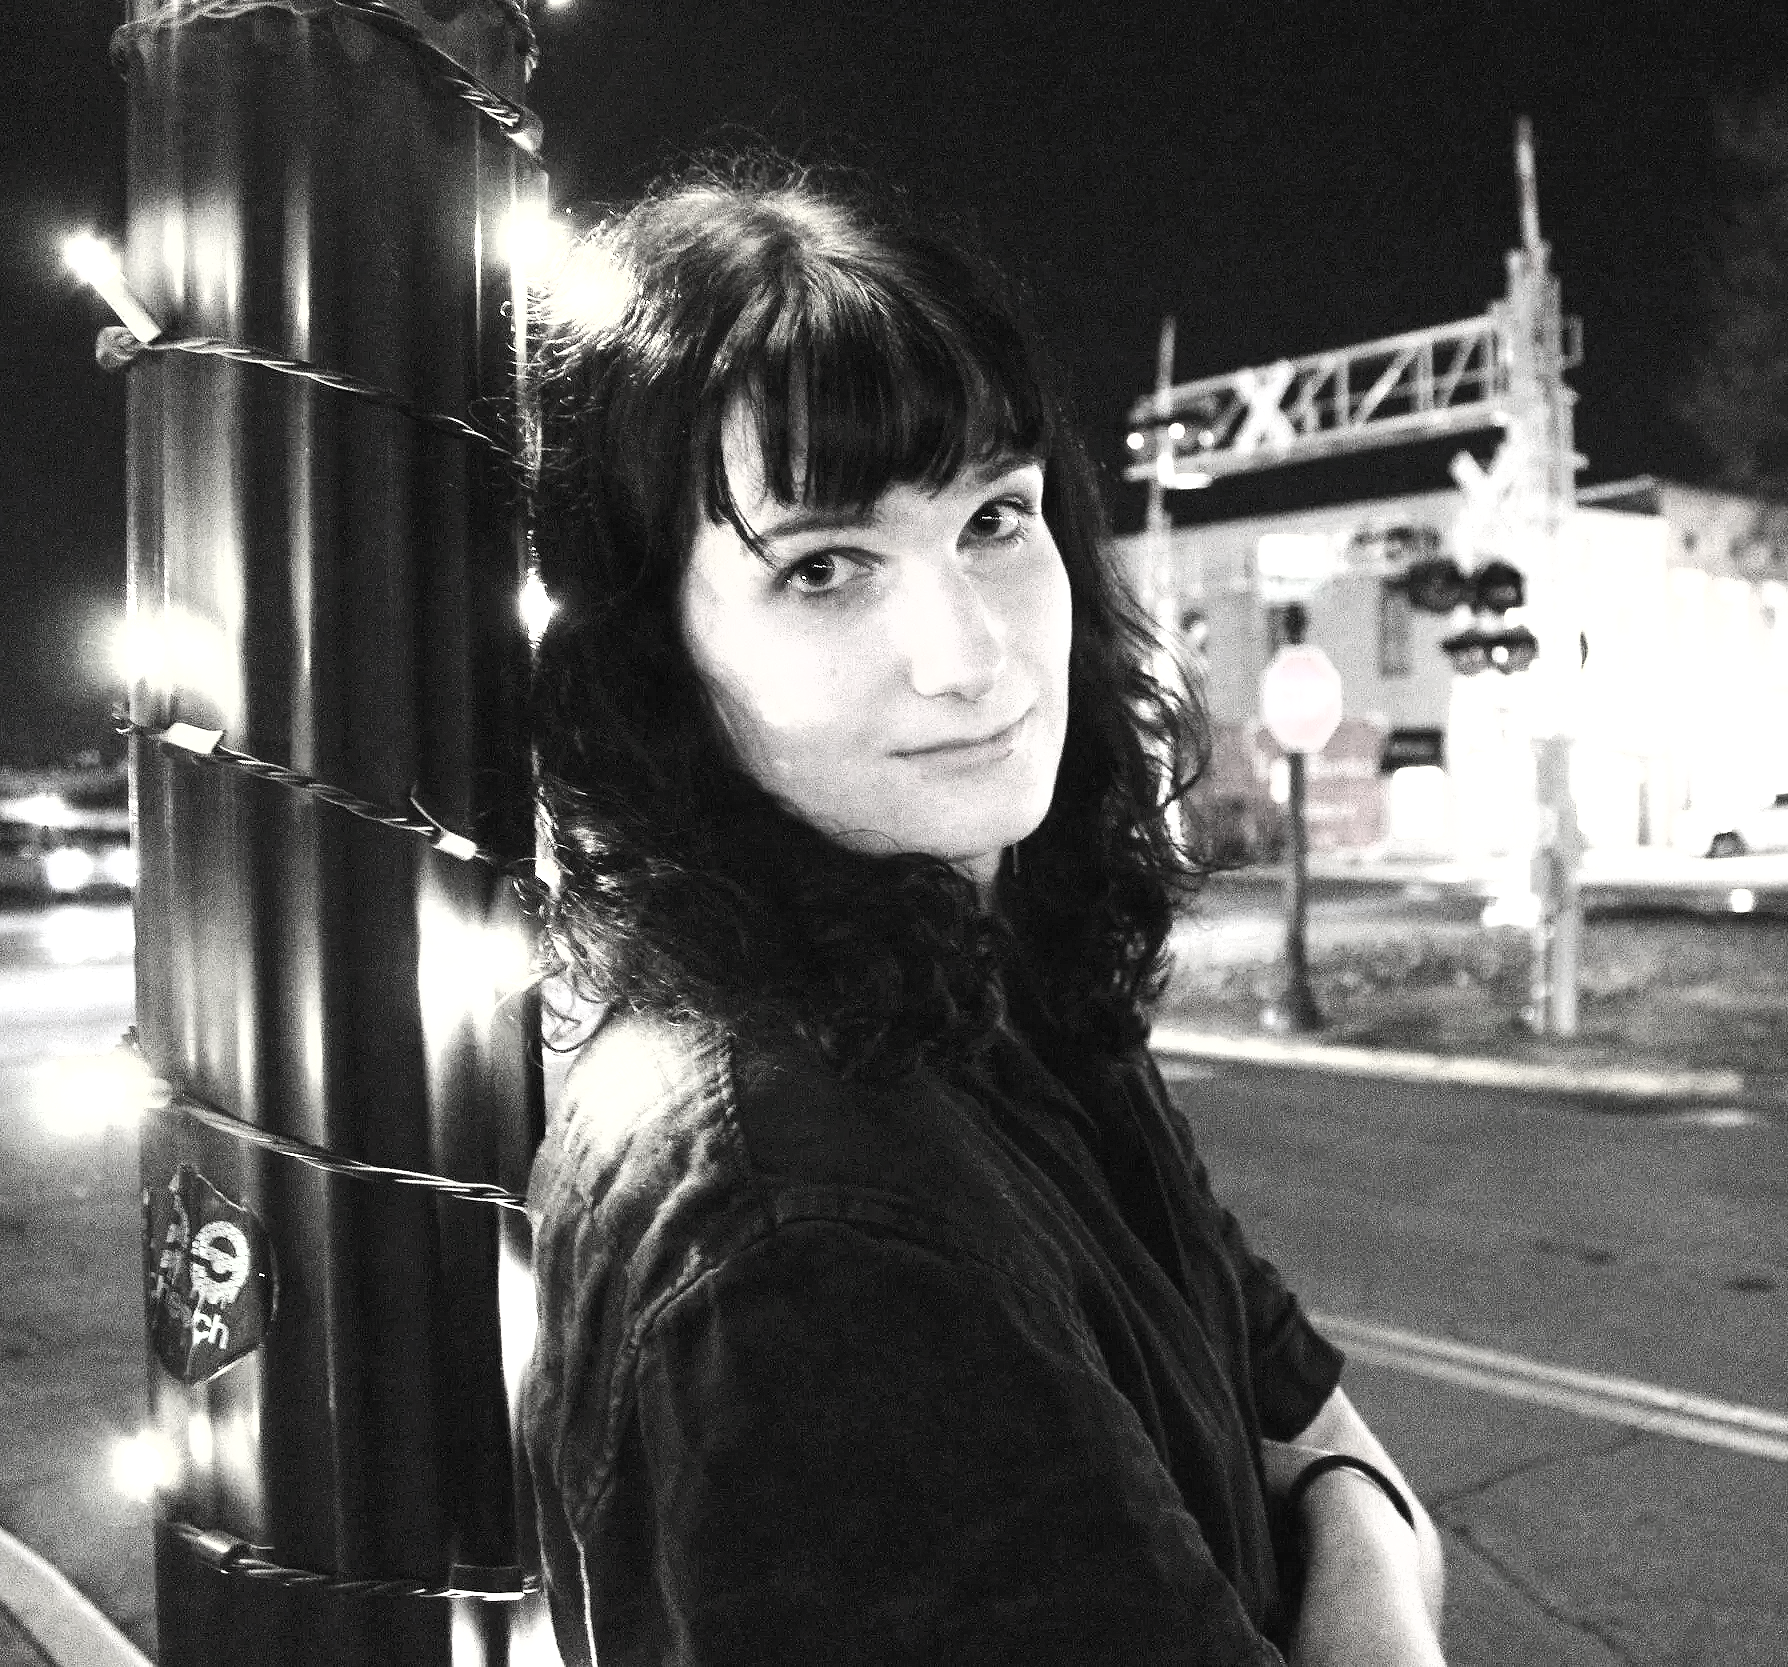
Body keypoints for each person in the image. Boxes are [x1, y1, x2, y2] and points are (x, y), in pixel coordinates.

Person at [517, 157, 1447, 1666]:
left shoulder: (994, 984)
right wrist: (1361, 1539)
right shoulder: (805, 1233)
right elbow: (1346, 1477)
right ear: (653, 658)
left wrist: (1350, 1515)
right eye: (824, 565)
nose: (966, 653)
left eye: (994, 520)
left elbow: (1317, 1424)